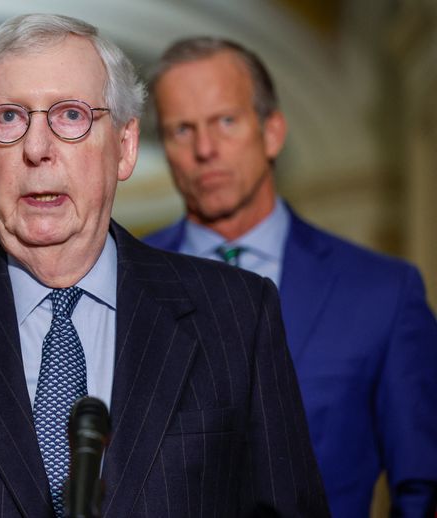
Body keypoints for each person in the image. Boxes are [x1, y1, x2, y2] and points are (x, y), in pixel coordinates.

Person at [0, 14, 329, 517]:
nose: (37, 148)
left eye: (71, 115)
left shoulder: (236, 315)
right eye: (9, 118)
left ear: (124, 145)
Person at [143, 36, 437, 517]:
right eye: (181, 130)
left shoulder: (382, 294)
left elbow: (422, 486)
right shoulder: (117, 276)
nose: (205, 149)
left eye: (225, 121)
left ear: (273, 131)